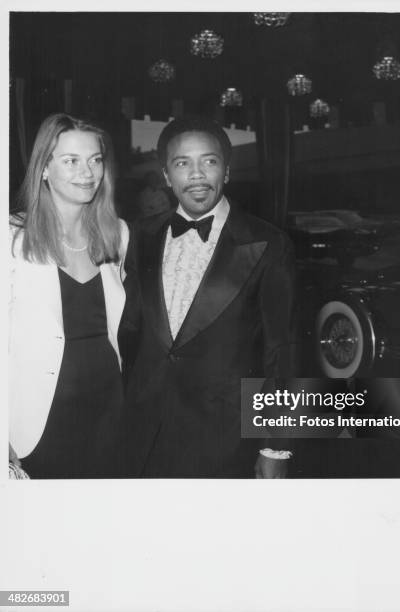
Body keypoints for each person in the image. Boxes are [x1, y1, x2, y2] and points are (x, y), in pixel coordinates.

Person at [121, 116, 298, 478]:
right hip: (142, 434)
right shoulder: (142, 235)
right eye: (182, 163)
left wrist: (276, 444)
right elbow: (130, 331)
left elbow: (282, 352)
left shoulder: (269, 243)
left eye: (209, 161)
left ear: (227, 171)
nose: (197, 174)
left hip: (224, 438)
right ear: (167, 176)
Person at [9, 113, 129, 479]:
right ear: (44, 168)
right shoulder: (12, 237)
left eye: (95, 160)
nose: (88, 172)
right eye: (71, 161)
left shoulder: (117, 235)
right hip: (38, 420)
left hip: (110, 409)